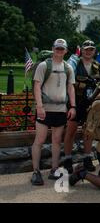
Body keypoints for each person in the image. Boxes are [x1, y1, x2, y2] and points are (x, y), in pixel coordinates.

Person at [31, 39, 76, 185]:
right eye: (57, 48)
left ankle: (54, 168)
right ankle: (36, 171)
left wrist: (73, 106)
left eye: (62, 49)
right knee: (40, 140)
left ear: (66, 50)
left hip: (60, 109)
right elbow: (37, 86)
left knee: (57, 141)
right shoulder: (44, 66)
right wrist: (39, 106)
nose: (59, 51)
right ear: (53, 48)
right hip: (45, 108)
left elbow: (70, 88)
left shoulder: (68, 67)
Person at [64, 40, 100, 174]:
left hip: (90, 105)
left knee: (88, 132)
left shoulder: (98, 67)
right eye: (86, 49)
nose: (88, 52)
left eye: (91, 49)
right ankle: (67, 159)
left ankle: (87, 158)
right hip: (75, 103)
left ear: (94, 51)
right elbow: (68, 84)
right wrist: (71, 105)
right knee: (70, 131)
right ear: (82, 50)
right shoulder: (74, 65)